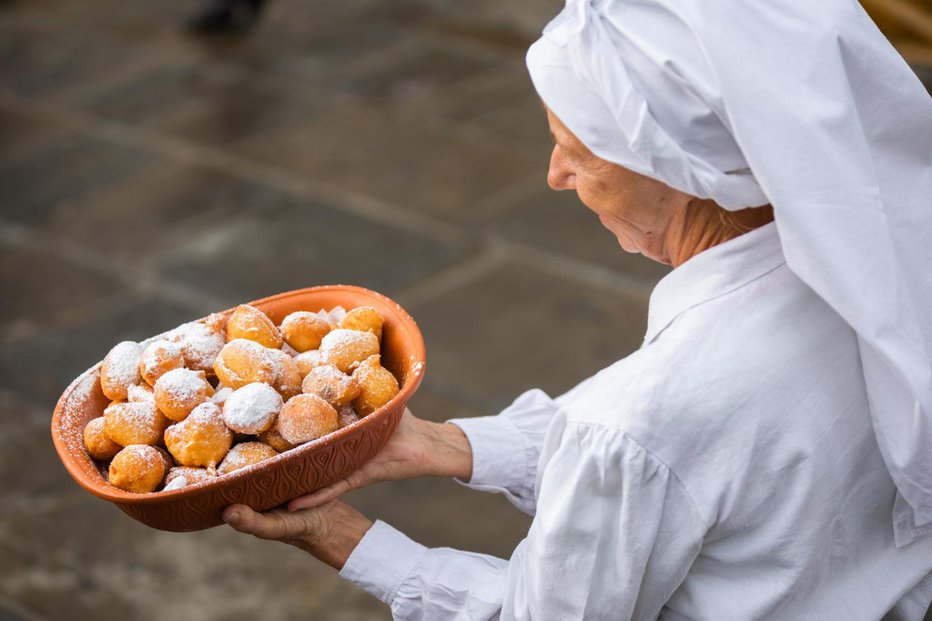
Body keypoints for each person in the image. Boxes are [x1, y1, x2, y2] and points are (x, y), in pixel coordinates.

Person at [222, 0, 932, 618]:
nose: (555, 175)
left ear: (681, 171)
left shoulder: (648, 416)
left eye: (575, 150)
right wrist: (444, 445)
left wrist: (343, 537)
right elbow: (662, 470)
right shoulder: (885, 258)